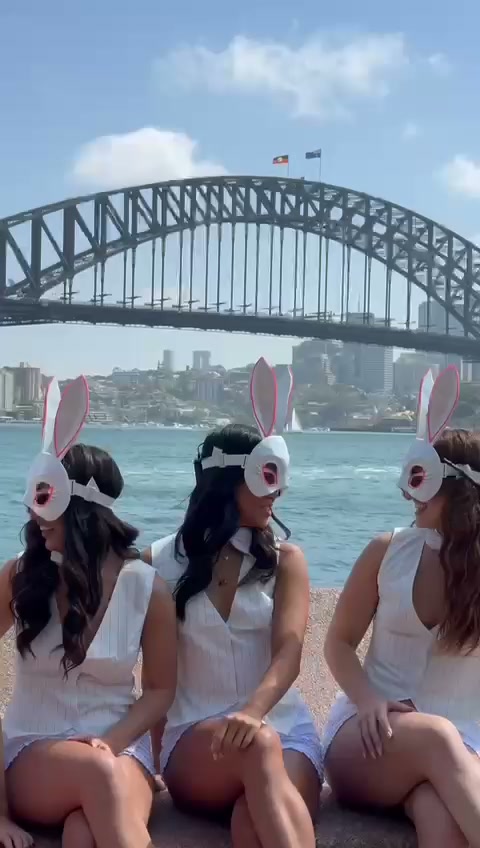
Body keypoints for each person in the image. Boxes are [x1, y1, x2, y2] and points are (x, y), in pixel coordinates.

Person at [143, 357, 323, 848]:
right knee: (256, 751)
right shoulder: (156, 562)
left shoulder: (287, 560)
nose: (278, 492)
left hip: (285, 732)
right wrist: (146, 758)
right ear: (229, 481)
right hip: (197, 745)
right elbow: (152, 674)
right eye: (266, 477)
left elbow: (289, 650)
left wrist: (253, 712)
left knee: (252, 814)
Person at [1, 376, 177, 848]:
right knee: (99, 777)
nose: (34, 516)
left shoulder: (147, 587)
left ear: (81, 512)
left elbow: (160, 691)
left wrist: (111, 742)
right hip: (32, 750)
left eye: (46, 502)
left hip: (120, 749)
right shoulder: (18, 575)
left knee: (84, 832)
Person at [323, 364, 480, 848]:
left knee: (435, 808)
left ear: (452, 486)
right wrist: (368, 698)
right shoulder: (386, 550)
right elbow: (338, 643)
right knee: (434, 738)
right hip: (372, 732)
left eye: (418, 477)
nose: (405, 492)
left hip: (466, 741)